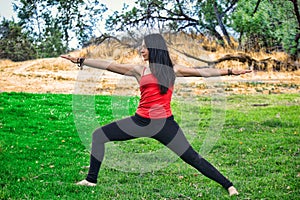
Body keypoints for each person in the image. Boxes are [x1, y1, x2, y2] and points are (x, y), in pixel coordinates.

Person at [61, 33, 251, 196]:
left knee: (192, 158)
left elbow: (204, 72)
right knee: (99, 135)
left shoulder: (173, 70)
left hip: (165, 125)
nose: (141, 51)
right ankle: (91, 180)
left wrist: (230, 71)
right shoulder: (139, 70)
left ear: (154, 49)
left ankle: (228, 185)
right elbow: (108, 65)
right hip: (140, 121)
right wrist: (81, 60)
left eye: (144, 48)